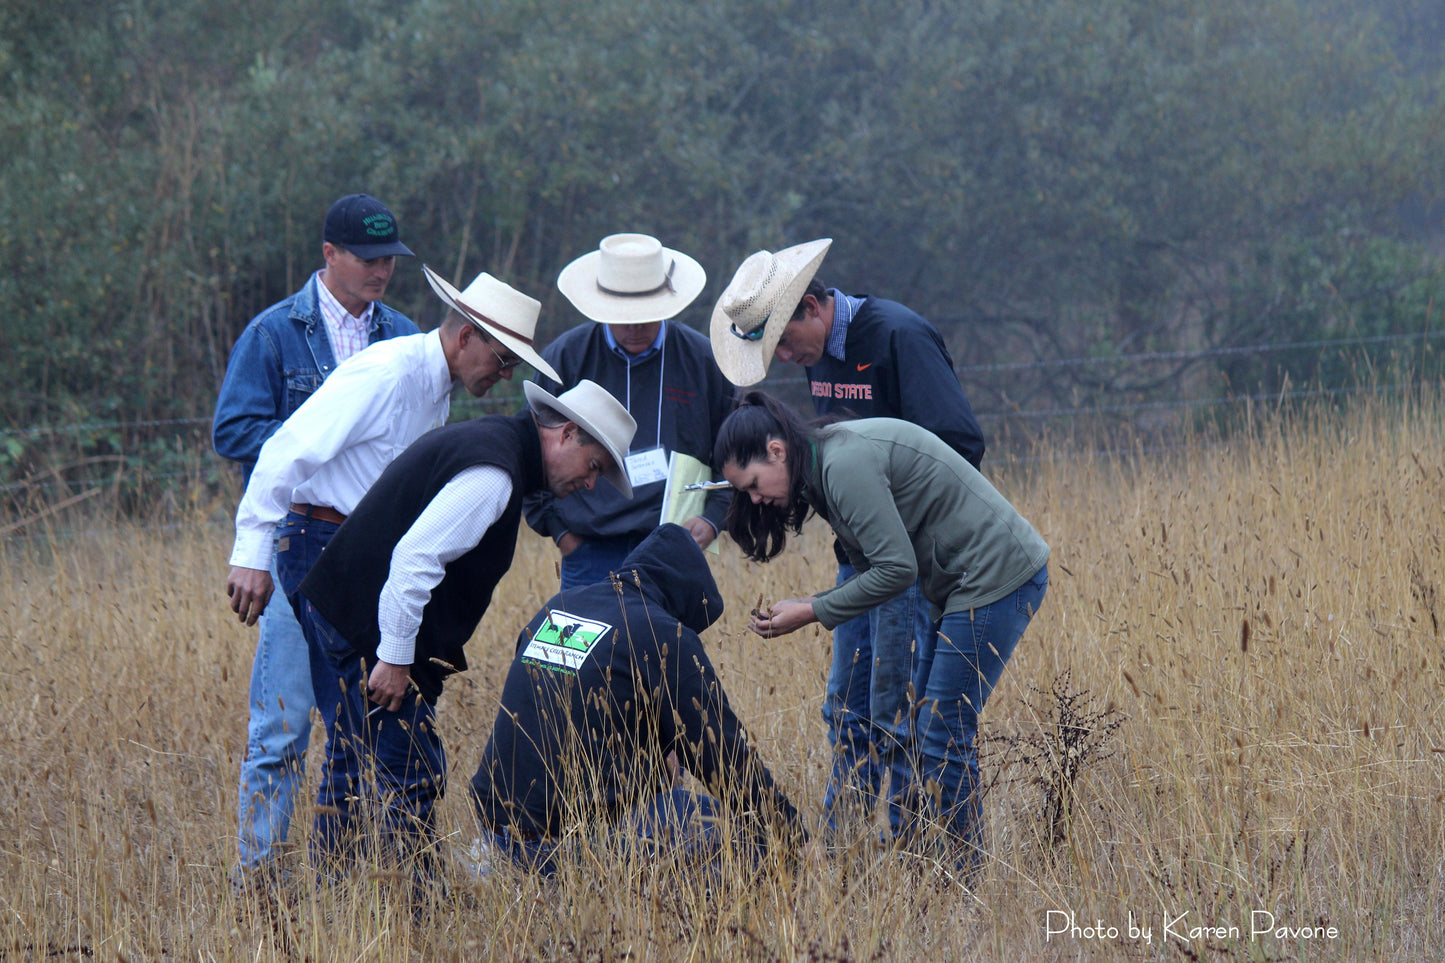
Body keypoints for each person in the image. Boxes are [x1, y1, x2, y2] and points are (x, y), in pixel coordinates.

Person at [222, 262, 554, 884]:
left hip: (349, 544)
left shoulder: (435, 387)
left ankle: (339, 887)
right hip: (317, 540)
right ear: (464, 338)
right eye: (502, 359)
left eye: (513, 366)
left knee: (353, 729)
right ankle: (308, 884)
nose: (504, 375)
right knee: (341, 724)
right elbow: (287, 449)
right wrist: (252, 550)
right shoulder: (389, 371)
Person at [289, 380, 637, 874]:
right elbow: (413, 561)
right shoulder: (494, 473)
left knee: (353, 763)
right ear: (566, 435)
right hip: (367, 630)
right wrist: (393, 657)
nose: (589, 484)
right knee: (411, 775)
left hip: (347, 613)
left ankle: (337, 898)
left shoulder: (497, 446)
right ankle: (414, 915)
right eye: (594, 467)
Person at [709, 239, 988, 834]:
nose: (785, 357)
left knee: (902, 711)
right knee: (846, 708)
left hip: (908, 564)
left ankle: (912, 845)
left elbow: (961, 446)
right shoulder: (820, 356)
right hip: (857, 561)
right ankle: (846, 845)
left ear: (813, 306)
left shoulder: (898, 337)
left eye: (785, 340)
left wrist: (897, 535)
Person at [712, 391, 1048, 876]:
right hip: (958, 589)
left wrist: (810, 610)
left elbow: (895, 571)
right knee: (930, 729)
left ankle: (961, 878)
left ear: (777, 451)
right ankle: (929, 863)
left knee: (942, 734)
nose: (755, 499)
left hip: (997, 578)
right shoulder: (823, 468)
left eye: (753, 484)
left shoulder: (843, 466)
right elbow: (881, 569)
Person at [212, 192, 418, 879]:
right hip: (297, 544)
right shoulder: (275, 334)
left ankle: (350, 876)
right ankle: (259, 876)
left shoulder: (403, 337)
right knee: (281, 727)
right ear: (329, 255)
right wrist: (319, 444)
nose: (380, 270)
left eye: (388, 258)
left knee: (363, 720)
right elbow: (234, 429)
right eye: (366, 257)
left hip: (379, 554)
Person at [466, 523, 804, 876]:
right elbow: (722, 755)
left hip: (496, 834)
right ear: (682, 599)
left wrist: (657, 761)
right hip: (571, 846)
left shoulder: (562, 605)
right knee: (755, 842)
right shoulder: (664, 633)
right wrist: (794, 836)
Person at [525, 233, 734, 590]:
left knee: (666, 647)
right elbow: (530, 447)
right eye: (624, 318)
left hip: (672, 548)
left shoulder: (704, 361)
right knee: (589, 647)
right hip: (587, 550)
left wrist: (714, 518)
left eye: (646, 317)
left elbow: (735, 450)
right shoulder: (566, 358)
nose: (634, 328)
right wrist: (561, 533)